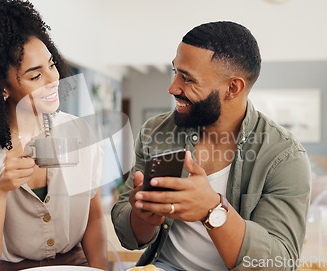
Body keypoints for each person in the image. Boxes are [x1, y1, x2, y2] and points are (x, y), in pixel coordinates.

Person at [111, 21, 311, 271]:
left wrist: (212, 209)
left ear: (232, 88)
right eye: (175, 71)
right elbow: (127, 235)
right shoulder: (157, 131)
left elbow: (278, 263)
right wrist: (142, 217)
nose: (173, 87)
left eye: (187, 78)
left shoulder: (284, 156)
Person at [0, 0, 107, 270]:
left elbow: (95, 219)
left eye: (51, 65)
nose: (53, 80)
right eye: (35, 76)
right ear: (1, 88)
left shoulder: (79, 132)